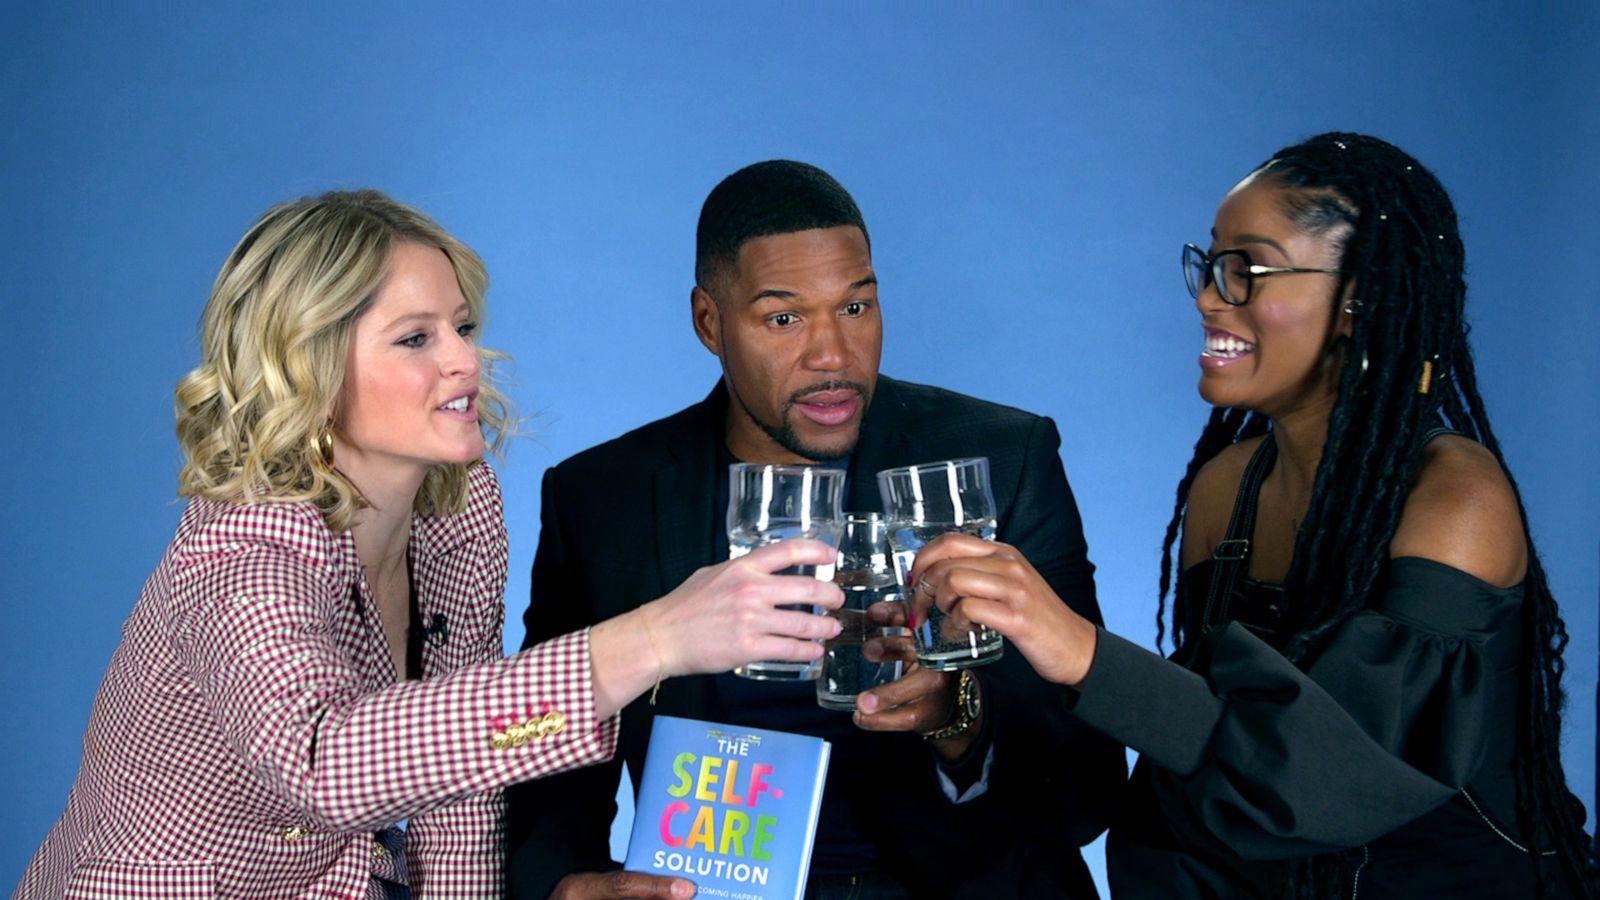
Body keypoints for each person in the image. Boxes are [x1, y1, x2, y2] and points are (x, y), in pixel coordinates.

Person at [13, 190, 844, 899]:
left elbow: (462, 780)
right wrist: (653, 639)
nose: (465, 361)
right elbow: (325, 763)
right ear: (307, 363)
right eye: (415, 338)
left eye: (462, 326)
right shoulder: (243, 548)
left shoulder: (456, 506)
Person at [910, 132, 1597, 898]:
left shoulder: (1455, 498)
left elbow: (1320, 781)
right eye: (1211, 265)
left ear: (1359, 297)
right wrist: (961, 707)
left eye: (1247, 269)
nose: (1209, 297)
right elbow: (1208, 758)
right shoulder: (1228, 488)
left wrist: (1077, 648)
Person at [505, 160, 1123, 899]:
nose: (832, 356)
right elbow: (545, 749)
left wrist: (955, 714)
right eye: (784, 318)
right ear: (710, 322)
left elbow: (1088, 788)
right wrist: (561, 886)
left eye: (856, 308)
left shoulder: (1000, 458)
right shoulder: (601, 496)